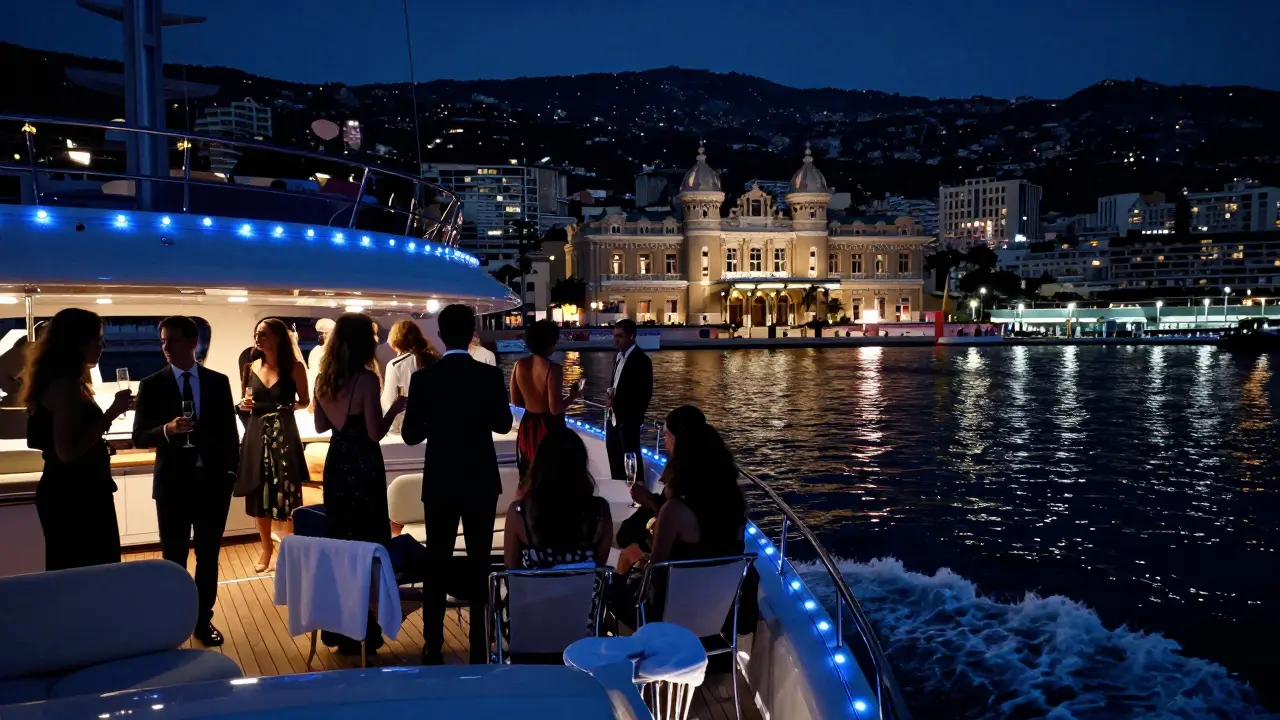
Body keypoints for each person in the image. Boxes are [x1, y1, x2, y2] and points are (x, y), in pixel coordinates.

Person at [402, 304, 513, 665]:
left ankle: (433, 646)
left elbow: (411, 436)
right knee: (480, 564)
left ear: (440, 335)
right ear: (471, 334)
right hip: (481, 479)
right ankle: (480, 647)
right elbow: (501, 424)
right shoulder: (489, 376)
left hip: (441, 481)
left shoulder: (423, 379)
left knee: (438, 562)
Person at [131, 316, 239, 647]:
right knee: (173, 558)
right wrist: (168, 430)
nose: (166, 347)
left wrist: (230, 477)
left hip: (212, 486)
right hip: (173, 486)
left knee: (209, 556)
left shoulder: (218, 382)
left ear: (193, 343)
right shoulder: (151, 384)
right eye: (163, 341)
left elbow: (230, 436)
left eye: (173, 340)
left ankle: (202, 620)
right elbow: (139, 437)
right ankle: (172, 621)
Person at [313, 312, 408, 655]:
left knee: (342, 541)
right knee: (369, 543)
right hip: (364, 463)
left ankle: (339, 628)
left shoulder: (323, 378)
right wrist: (396, 407)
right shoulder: (367, 380)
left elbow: (322, 425)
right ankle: (366, 627)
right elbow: (374, 432)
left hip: (337, 461)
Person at [20, 308, 132, 571]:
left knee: (74, 572)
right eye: (98, 338)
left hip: (69, 492)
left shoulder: (61, 381)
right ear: (78, 342)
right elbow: (67, 452)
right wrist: (111, 414)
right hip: (76, 498)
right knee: (91, 571)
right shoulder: (66, 386)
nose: (102, 345)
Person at [612, 424, 749, 623]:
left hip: (668, 615)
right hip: (720, 613)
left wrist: (643, 558)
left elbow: (656, 570)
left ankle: (612, 627)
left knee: (622, 571)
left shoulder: (675, 510)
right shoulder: (737, 507)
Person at [235, 317, 310, 573]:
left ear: (278, 337)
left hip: (284, 433)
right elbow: (245, 401)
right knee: (259, 492)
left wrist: (290, 408)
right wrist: (243, 405)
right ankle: (266, 548)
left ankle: (289, 548)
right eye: (257, 334)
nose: (258, 338)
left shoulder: (295, 367)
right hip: (256, 434)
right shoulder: (249, 367)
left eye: (263, 334)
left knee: (287, 491)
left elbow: (305, 401)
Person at [503, 427, 612, 570]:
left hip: (534, 592)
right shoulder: (600, 512)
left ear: (539, 466)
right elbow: (599, 565)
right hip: (583, 592)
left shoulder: (519, 514)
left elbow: (511, 570)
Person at [617, 405, 707, 551]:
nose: (664, 442)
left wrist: (649, 501)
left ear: (677, 437)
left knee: (626, 538)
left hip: (680, 557)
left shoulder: (686, 478)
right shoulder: (717, 473)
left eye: (666, 435)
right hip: (717, 561)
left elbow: (677, 523)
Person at [510, 319, 582, 475]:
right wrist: (572, 397)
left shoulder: (519, 365)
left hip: (528, 426)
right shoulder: (553, 369)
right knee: (551, 473)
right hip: (548, 428)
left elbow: (515, 401)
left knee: (529, 472)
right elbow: (554, 409)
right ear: (551, 342)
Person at [605, 319, 652, 481]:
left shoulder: (642, 360)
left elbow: (644, 393)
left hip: (628, 419)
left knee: (631, 457)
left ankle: (637, 492)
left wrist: (635, 418)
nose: (616, 339)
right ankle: (618, 487)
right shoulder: (618, 357)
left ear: (631, 336)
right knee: (614, 454)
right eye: (615, 336)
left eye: (620, 336)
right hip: (613, 417)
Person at [382, 320, 437, 435]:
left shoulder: (395, 365)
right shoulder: (436, 360)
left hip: (404, 432)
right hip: (435, 429)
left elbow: (390, 402)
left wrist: (392, 429)